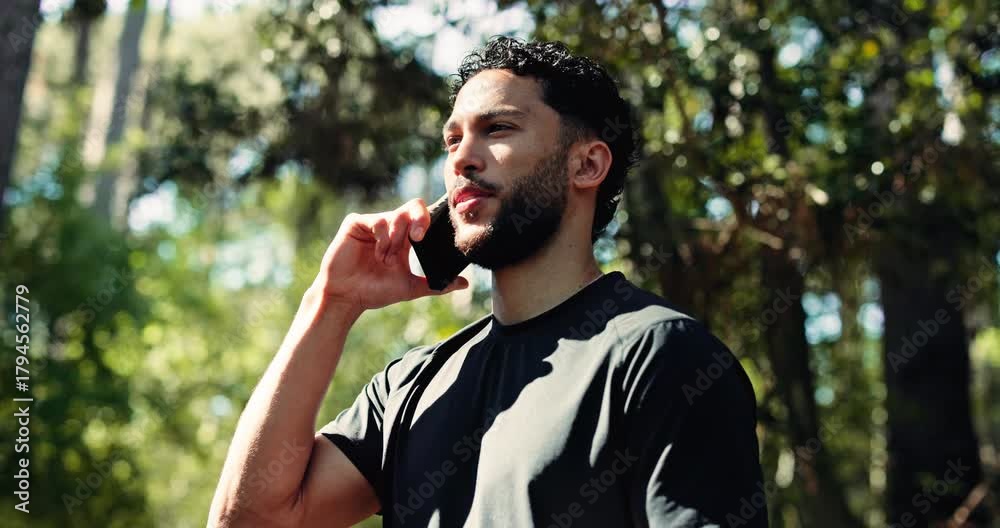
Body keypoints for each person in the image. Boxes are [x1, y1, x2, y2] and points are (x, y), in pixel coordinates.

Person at [208, 36, 767, 528]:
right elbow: (251, 521)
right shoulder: (408, 388)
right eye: (452, 141)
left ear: (587, 165)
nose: (463, 160)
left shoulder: (661, 356)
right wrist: (331, 302)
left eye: (497, 129)